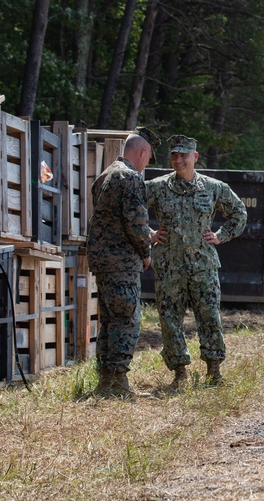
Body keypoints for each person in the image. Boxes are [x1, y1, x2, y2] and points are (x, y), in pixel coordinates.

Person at [146, 135, 247, 388]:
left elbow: (239, 213)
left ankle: (214, 371)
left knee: (209, 317)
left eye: (183, 155)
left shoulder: (214, 188)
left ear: (195, 157)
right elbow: (131, 209)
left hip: (203, 266)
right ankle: (179, 372)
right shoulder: (157, 187)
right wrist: (150, 233)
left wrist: (221, 236)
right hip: (169, 266)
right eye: (174, 155)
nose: (178, 160)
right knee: (170, 320)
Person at [87, 126, 160, 399]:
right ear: (143, 151)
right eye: (149, 157)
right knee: (127, 319)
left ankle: (106, 381)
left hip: (103, 260)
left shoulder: (105, 175)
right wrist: (145, 252)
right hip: (121, 261)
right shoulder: (130, 178)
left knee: (109, 320)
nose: (146, 163)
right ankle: (117, 384)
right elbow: (137, 223)